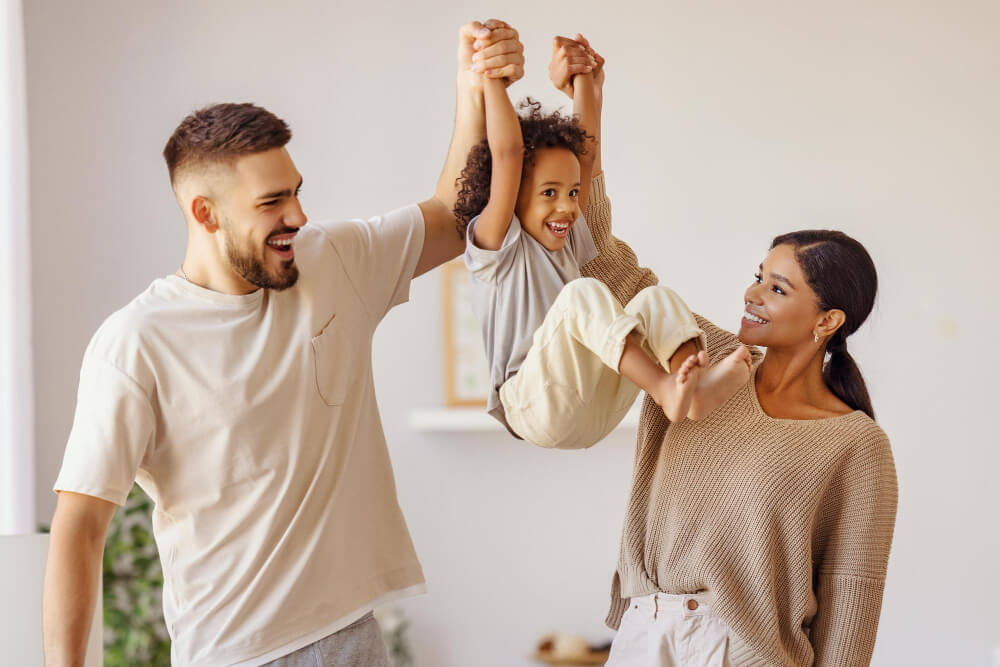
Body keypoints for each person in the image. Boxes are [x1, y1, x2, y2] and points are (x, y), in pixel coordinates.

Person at [41, 20, 525, 667]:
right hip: (233, 654)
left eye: (297, 191)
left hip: (355, 639)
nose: (297, 214)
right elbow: (80, 527)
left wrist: (474, 88)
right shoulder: (136, 344)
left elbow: (454, 213)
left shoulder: (334, 261)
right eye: (272, 201)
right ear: (205, 214)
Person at [547, 36, 899, 667]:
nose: (752, 293)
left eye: (777, 286)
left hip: (746, 653)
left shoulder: (854, 443)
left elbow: (850, 596)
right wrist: (586, 100)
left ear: (829, 320)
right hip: (642, 634)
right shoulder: (696, 357)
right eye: (758, 275)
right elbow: (599, 253)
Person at [458, 39, 752, 449]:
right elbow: (507, 154)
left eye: (573, 194)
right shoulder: (497, 249)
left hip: (588, 411)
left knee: (654, 299)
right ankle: (665, 388)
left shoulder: (568, 241)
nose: (567, 207)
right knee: (584, 292)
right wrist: (495, 79)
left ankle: (692, 390)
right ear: (510, 197)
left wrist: (586, 86)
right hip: (530, 406)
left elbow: (588, 157)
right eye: (549, 193)